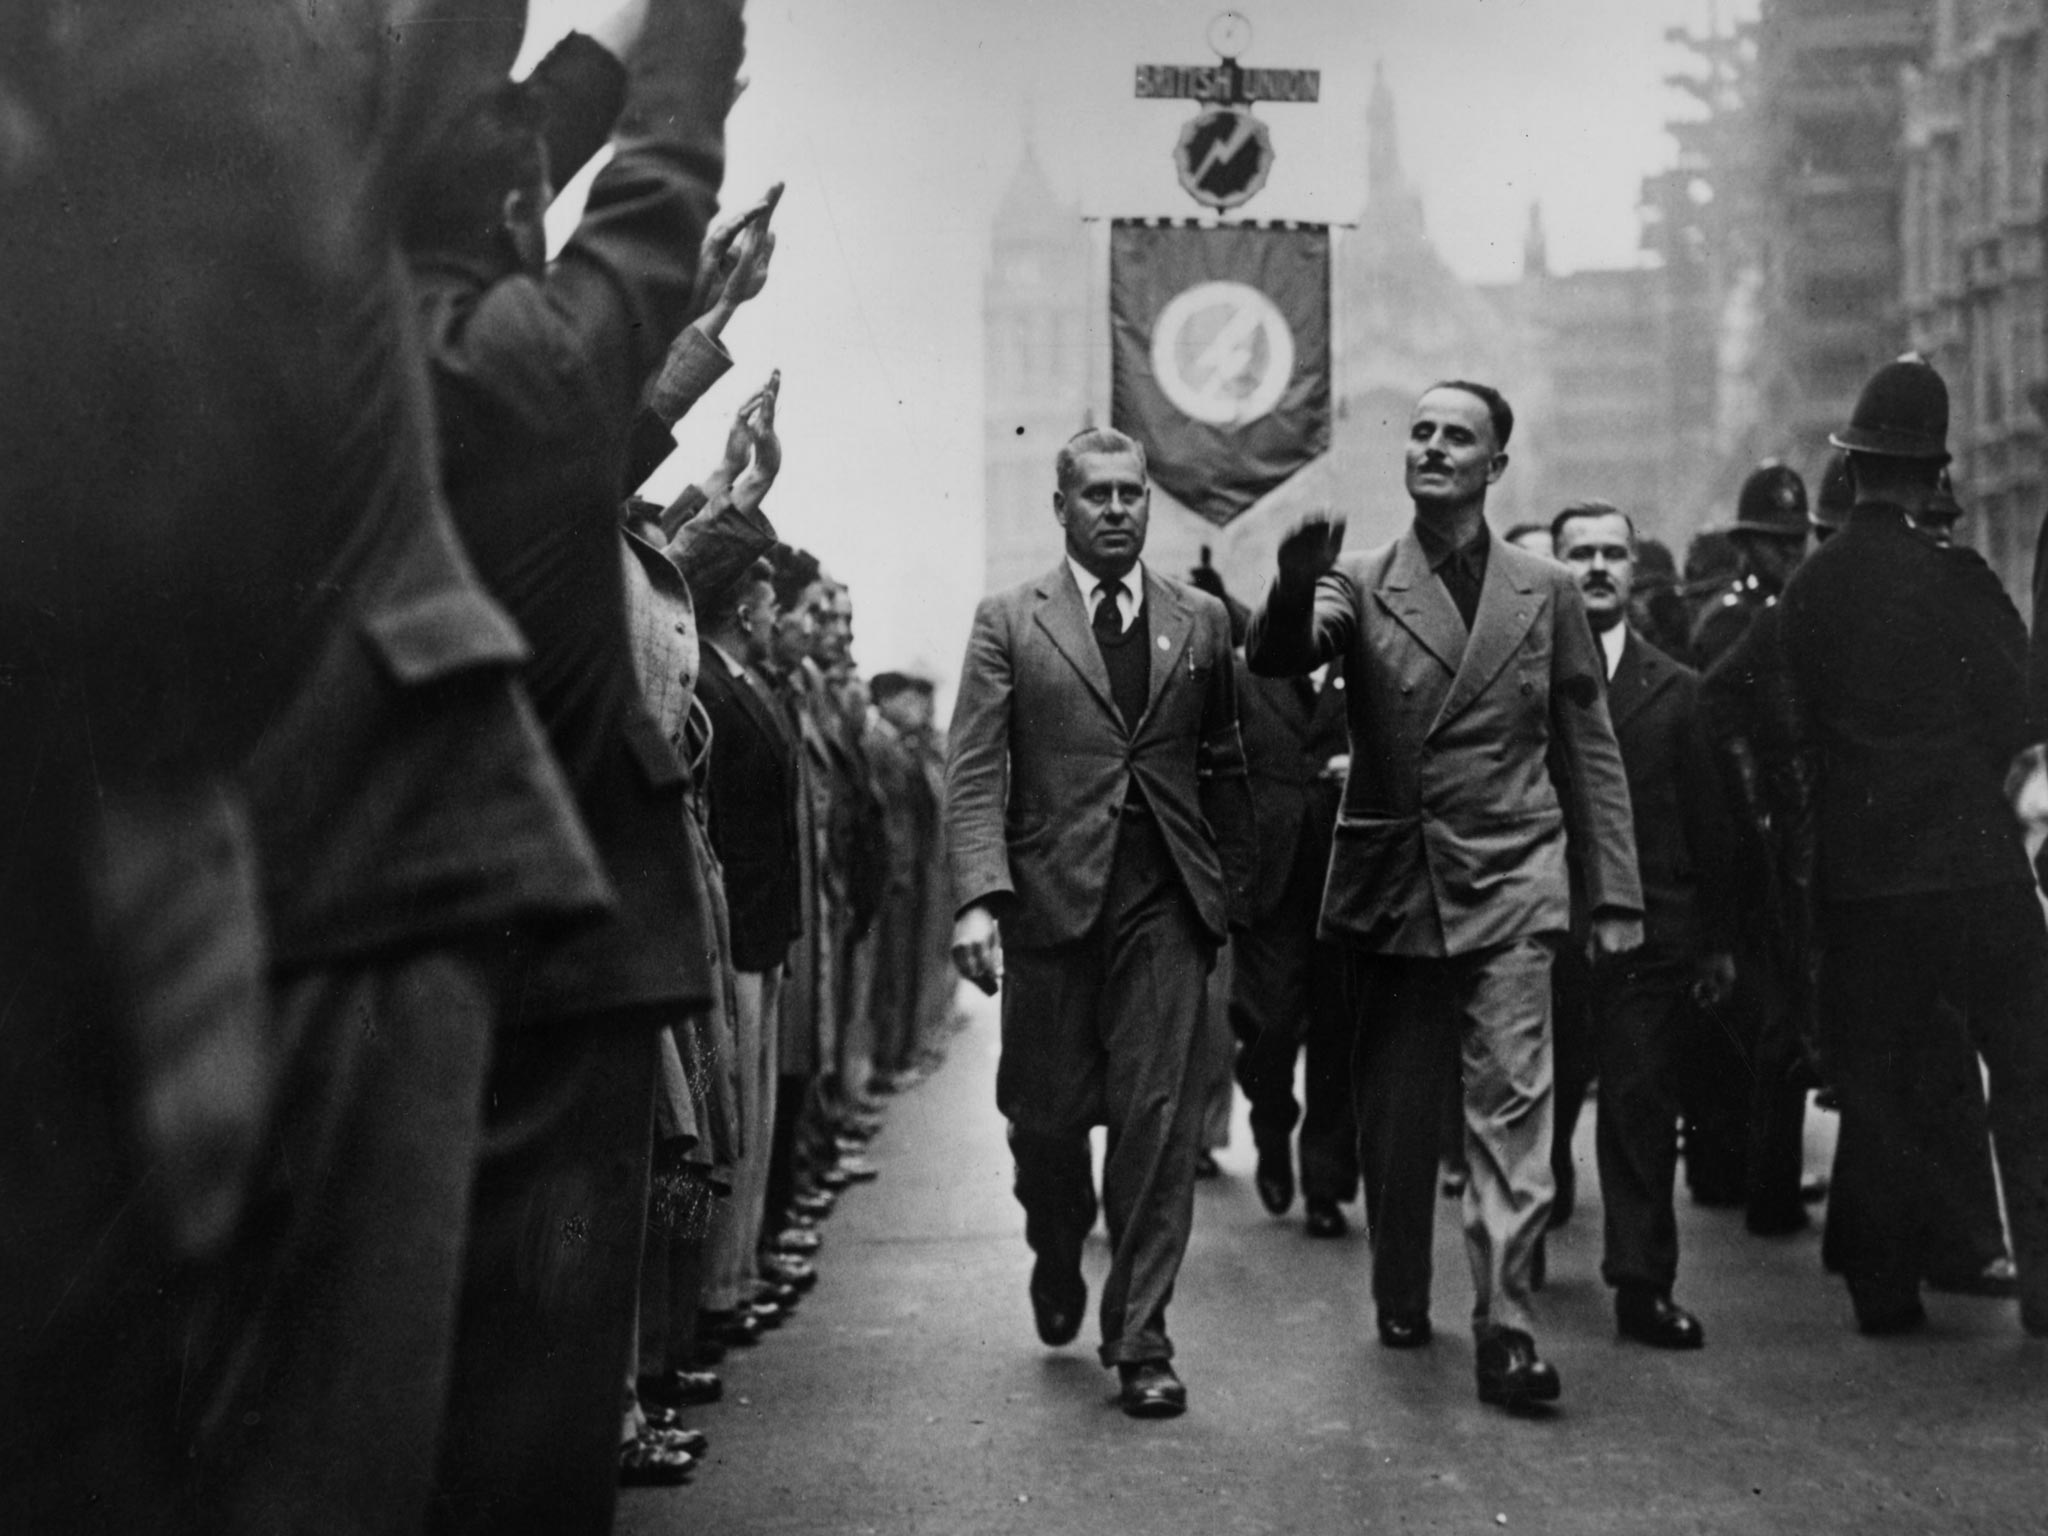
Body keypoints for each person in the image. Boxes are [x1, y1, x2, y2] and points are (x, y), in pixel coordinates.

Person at [401, 0, 746, 1525]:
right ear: (524, 211)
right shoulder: (537, 368)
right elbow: (664, 182)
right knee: (535, 1405)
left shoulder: (317, 348)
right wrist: (686, 34)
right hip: (562, 959)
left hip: (357, 948)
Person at [1247, 381, 1642, 1412]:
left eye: (1453, 436)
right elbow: (1284, 654)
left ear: (1494, 467)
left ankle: (1505, 1324)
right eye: (1417, 433)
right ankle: (1397, 1284)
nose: (1428, 448)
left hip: (1513, 877)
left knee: (1510, 1107)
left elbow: (1585, 746)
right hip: (1395, 881)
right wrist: (1290, 592)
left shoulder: (1544, 587)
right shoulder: (1361, 580)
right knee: (1395, 1107)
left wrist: (1613, 894)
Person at [946, 426, 1256, 1419]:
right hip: (1049, 905)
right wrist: (975, 898)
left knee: (1155, 1121)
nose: (1116, 511)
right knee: (1043, 1120)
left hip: (1164, 903)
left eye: (1131, 496)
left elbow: (1226, 761)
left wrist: (1227, 885)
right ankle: (1053, 1238)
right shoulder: (1008, 621)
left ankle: (1139, 1340)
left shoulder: (1199, 621)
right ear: (1062, 508)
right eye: (1097, 496)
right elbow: (975, 768)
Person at [1776, 358, 2048, 1338]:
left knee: (1880, 1078)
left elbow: (1788, 726)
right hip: (1971, 865)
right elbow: (2015, 707)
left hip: (1862, 880)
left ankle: (1881, 1289)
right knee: (2026, 1067)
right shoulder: (1953, 577)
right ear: (1933, 474)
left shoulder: (1808, 590)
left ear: (1848, 465)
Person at [1550, 501, 1735, 1348]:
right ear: (1553, 567)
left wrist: (1717, 941)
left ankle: (1640, 1282)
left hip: (1646, 936)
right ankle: (1509, 1276)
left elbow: (1711, 822)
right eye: (1578, 553)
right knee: (1525, 1113)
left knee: (1636, 1104)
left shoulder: (1678, 691)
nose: (1596, 567)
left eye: (1612, 554)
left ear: (1633, 570)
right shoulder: (1523, 679)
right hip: (1541, 925)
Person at [1195, 564, 1360, 1237]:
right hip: (1267, 885)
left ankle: (1325, 1184)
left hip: (1349, 881)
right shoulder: (1240, 675)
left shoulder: (1370, 675)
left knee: (1339, 1035)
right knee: (1265, 1031)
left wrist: (1366, 769)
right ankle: (1270, 1130)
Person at [1688, 461, 1813, 1229]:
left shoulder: (1786, 612)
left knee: (1771, 1011)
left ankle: (1756, 1171)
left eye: (1794, 541)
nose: (1788, 556)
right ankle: (1737, 1172)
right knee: (1750, 1013)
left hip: (1776, 838)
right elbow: (1718, 732)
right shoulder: (1731, 624)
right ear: (1745, 547)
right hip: (1742, 840)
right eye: (1773, 543)